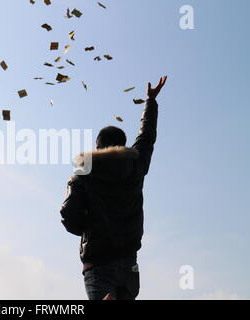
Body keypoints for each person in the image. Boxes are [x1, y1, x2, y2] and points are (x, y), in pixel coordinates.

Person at [59, 76, 168, 300]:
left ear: (97, 146)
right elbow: (147, 138)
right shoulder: (136, 164)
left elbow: (68, 213)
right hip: (129, 262)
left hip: (98, 263)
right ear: (123, 145)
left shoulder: (84, 169)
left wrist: (87, 229)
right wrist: (151, 101)